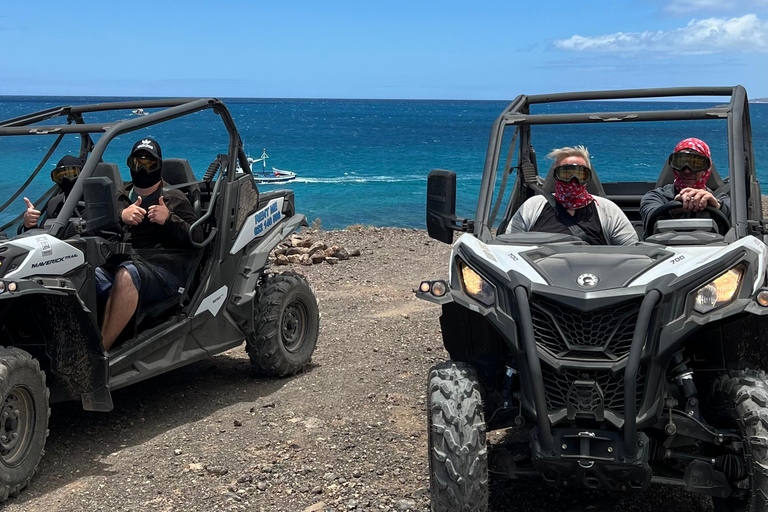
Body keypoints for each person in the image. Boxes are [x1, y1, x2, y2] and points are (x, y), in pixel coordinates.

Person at [97, 138, 203, 351]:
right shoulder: (121, 196)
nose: (143, 169)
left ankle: (100, 353)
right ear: (130, 164)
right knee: (83, 272)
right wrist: (120, 216)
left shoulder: (174, 198)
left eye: (149, 164)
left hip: (164, 273)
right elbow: (95, 229)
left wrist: (169, 219)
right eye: (138, 164)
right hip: (121, 264)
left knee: (126, 274)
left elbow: (199, 238)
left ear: (159, 166)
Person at [505, 146, 637, 246]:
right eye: (566, 174)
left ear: (588, 178)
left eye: (580, 174)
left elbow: (632, 249)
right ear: (556, 176)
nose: (573, 180)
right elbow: (509, 245)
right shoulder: (534, 206)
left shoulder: (606, 209)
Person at [640, 138, 730, 232]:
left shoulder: (721, 198)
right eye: (680, 163)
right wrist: (674, 208)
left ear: (707, 168)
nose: (687, 170)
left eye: (696, 164)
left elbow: (735, 222)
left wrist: (717, 206)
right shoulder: (655, 197)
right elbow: (650, 216)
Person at [20, 155, 84, 232]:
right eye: (60, 177)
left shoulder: (98, 202)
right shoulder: (54, 204)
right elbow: (43, 236)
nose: (65, 179)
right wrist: (29, 224)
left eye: (71, 174)